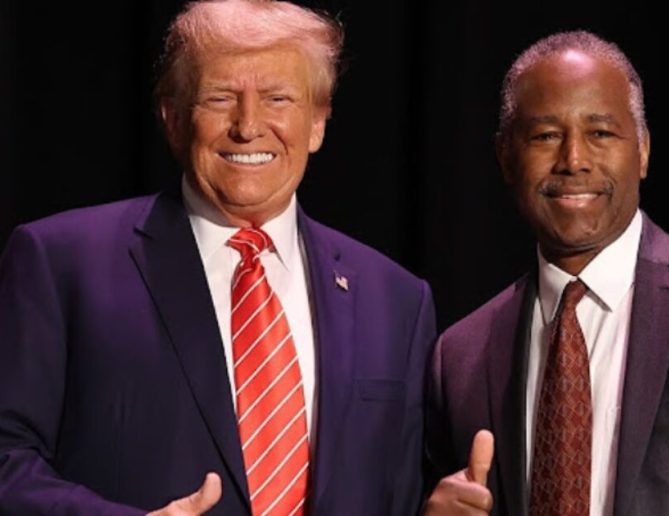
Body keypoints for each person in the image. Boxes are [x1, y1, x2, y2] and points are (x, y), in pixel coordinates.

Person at [0, 1, 436, 514]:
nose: (248, 126)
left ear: (317, 122)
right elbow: (7, 458)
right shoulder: (61, 263)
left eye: (278, 98)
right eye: (220, 97)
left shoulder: (396, 300)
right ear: (172, 118)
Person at [424, 30, 669, 515]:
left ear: (644, 150)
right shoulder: (460, 357)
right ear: (506, 157)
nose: (573, 160)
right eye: (546, 136)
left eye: (601, 133)